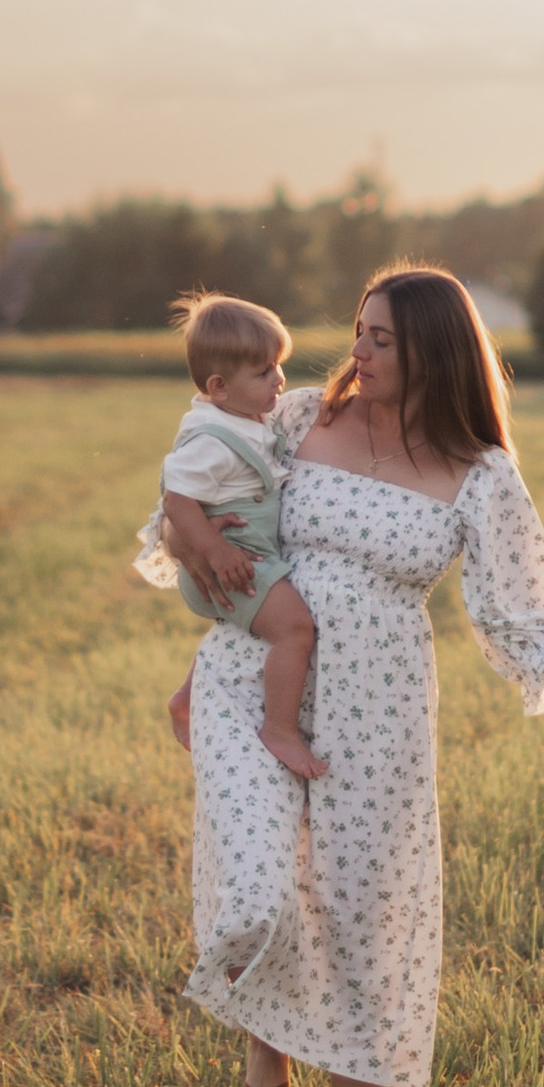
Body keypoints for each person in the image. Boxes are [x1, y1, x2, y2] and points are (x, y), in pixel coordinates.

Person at [149, 266, 544, 1087]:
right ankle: (264, 1050)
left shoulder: (480, 474)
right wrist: (193, 668)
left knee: (362, 915)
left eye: (380, 339)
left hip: (380, 710)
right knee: (257, 893)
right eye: (358, 332)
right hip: (254, 684)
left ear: (435, 353)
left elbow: (524, 616)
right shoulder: (294, 422)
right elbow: (222, 537)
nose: (354, 352)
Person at [149, 294, 326, 783]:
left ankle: (186, 697)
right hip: (231, 560)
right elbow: (177, 499)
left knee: (246, 626)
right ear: (219, 387)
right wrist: (213, 549)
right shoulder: (212, 438)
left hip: (243, 554)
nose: (279, 380)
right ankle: (280, 729)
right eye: (265, 372)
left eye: (278, 366)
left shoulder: (242, 420)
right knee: (294, 629)